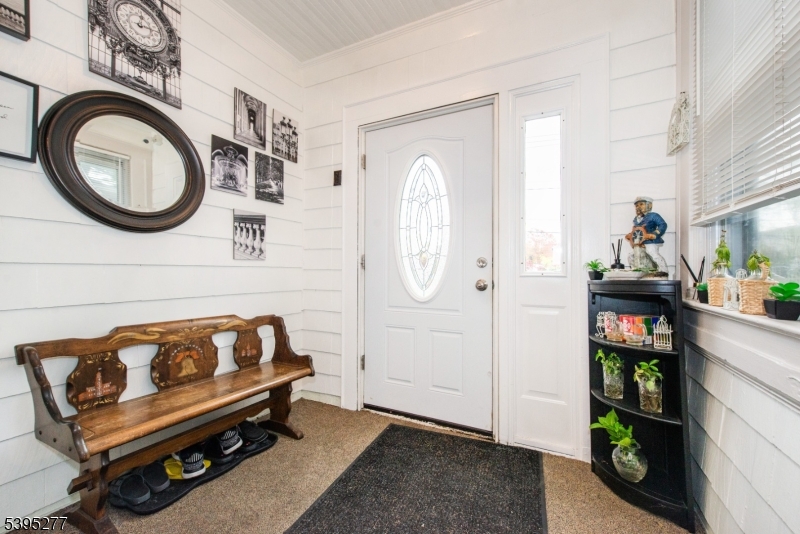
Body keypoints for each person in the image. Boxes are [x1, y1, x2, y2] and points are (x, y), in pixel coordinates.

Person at [625, 196, 669, 274]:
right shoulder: (636, 219)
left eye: (641, 204)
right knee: (631, 256)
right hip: (640, 242)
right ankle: (636, 270)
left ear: (649, 205)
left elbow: (663, 225)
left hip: (650, 241)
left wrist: (655, 234)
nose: (638, 207)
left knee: (652, 253)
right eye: (637, 205)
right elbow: (637, 230)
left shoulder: (653, 216)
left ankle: (663, 270)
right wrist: (631, 235)